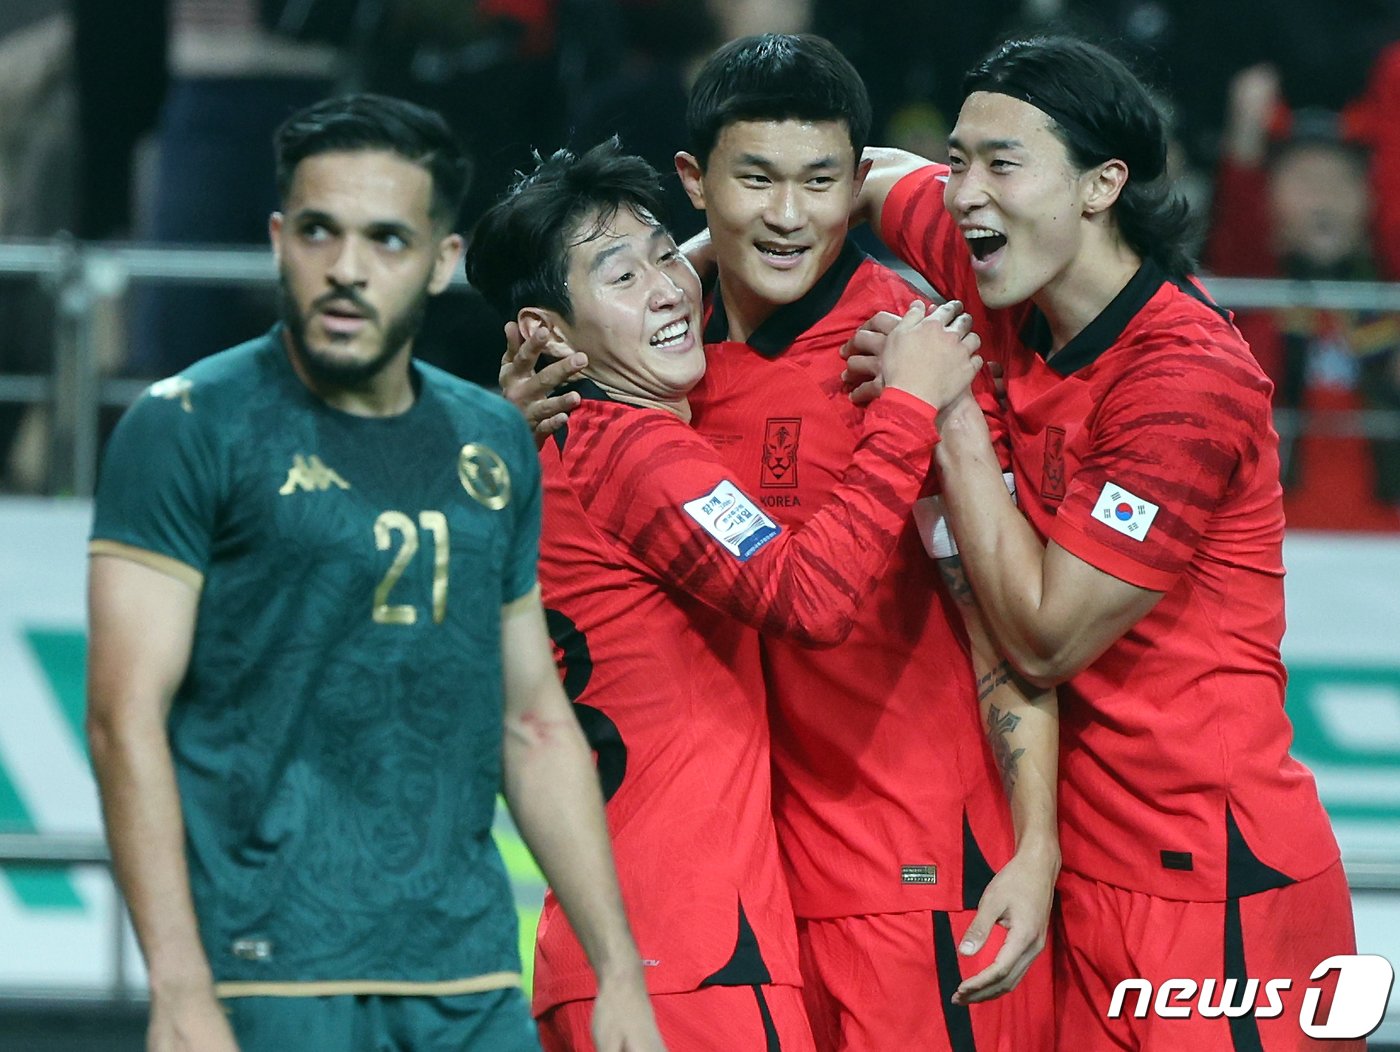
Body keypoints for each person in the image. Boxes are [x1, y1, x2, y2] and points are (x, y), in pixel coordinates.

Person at [504, 35, 1057, 1052]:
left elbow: (1004, 623)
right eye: (754, 179)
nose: (788, 214)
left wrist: (1034, 844)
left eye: (817, 182)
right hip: (741, 912)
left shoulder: (912, 351)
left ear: (855, 183)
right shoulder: (657, 359)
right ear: (695, 182)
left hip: (916, 888)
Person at [84, 93, 663, 1052]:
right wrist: (181, 989)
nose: (347, 269)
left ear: (441, 262)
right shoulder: (185, 427)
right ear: (279, 239)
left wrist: (617, 973)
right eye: (320, 232)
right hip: (268, 979)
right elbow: (123, 720)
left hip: (468, 978)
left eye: (387, 240)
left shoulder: (491, 443)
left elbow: (531, 718)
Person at [850, 35, 1358, 1049]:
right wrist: (660, 294)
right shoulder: (993, 257)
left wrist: (943, 413)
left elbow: (1043, 639)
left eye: (1001, 164)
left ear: (1100, 184)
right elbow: (859, 178)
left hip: (1213, 888)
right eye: (960, 159)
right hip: (1072, 865)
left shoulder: (1182, 383)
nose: (962, 194)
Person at [1206, 64, 1400, 531]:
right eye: (1305, 180)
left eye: (1342, 182)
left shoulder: (1387, 293)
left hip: (1385, 545)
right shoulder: (1247, 293)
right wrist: (1246, 136)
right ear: (1268, 199)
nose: (1325, 196)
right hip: (1279, 541)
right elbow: (1238, 226)